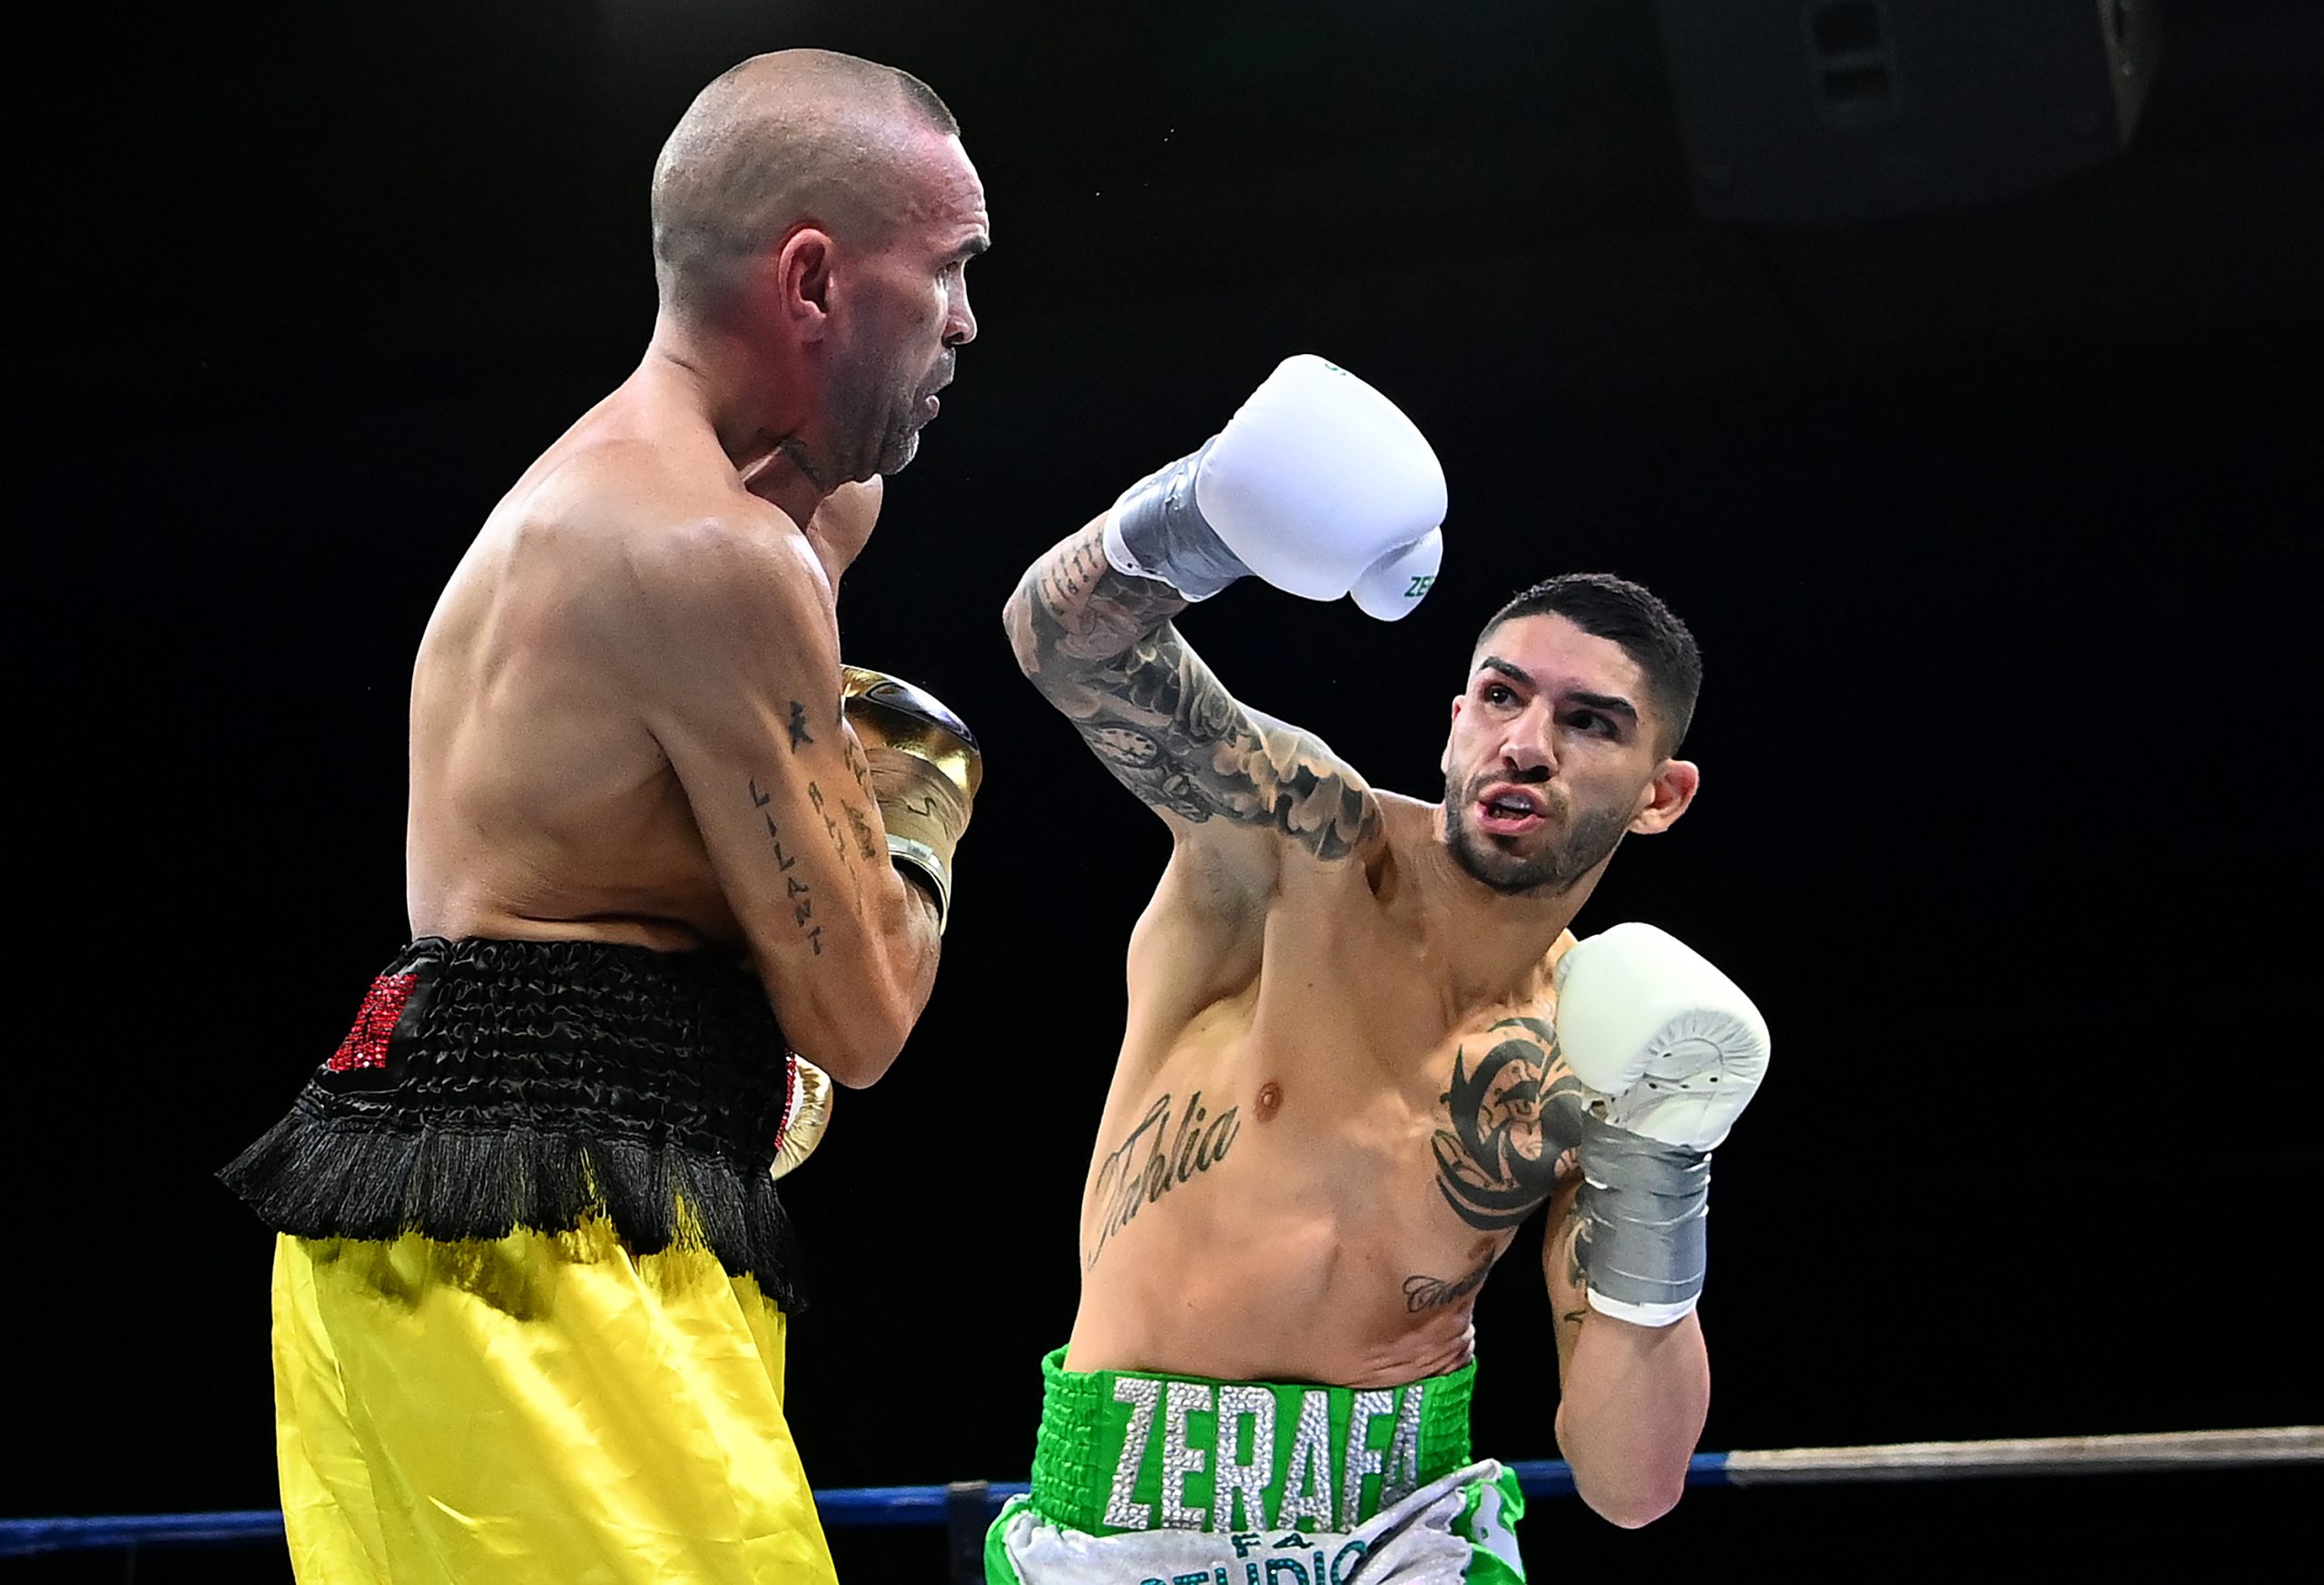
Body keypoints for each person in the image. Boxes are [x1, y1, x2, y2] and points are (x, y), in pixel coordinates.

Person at [221, 48, 990, 1585]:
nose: (969, 320)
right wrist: (919, 803)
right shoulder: (704, 546)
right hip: (532, 1262)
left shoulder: (781, 512)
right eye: (952, 270)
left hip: (508, 1223)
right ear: (815, 280)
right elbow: (864, 1010)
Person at [988, 355, 1772, 1582]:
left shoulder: (1603, 1050)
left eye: (1590, 721)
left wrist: (1663, 1166)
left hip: (1407, 1537)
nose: (1527, 742)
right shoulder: (1303, 840)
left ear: (1663, 796)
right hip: (1121, 1517)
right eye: (1504, 696)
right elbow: (1060, 640)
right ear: (1455, 717)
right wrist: (1206, 512)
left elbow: (1631, 1481)